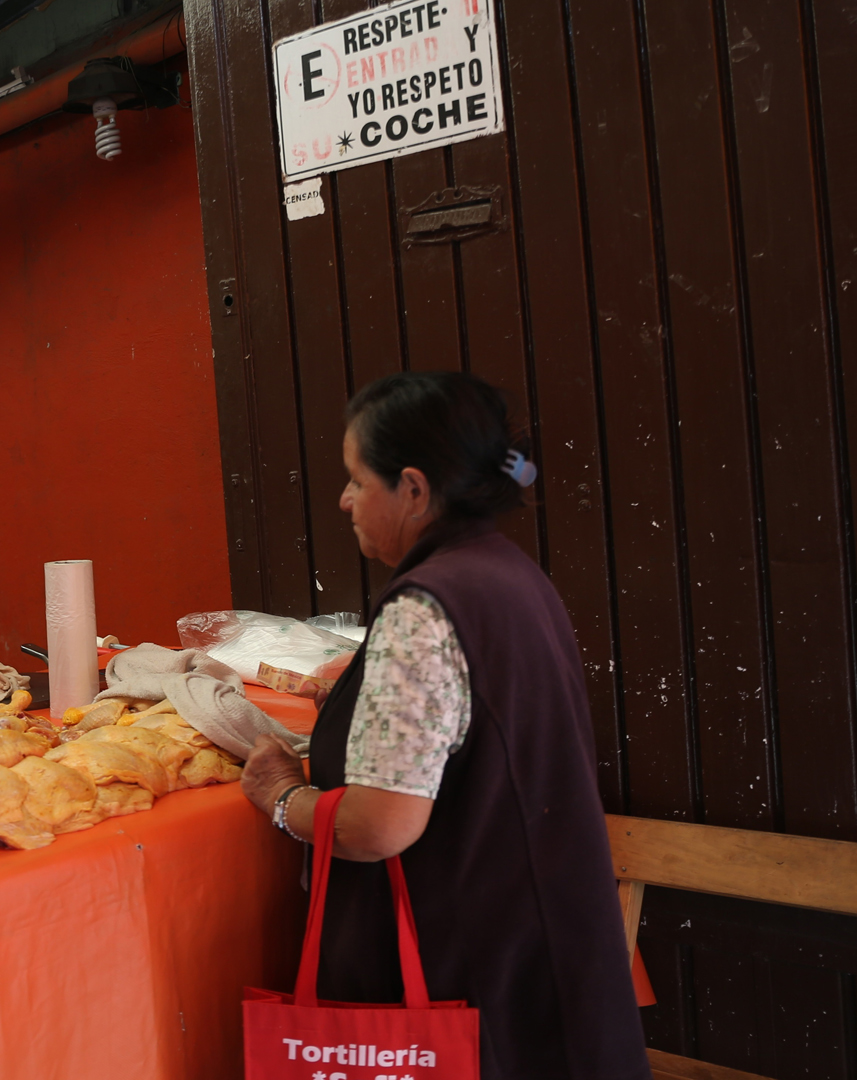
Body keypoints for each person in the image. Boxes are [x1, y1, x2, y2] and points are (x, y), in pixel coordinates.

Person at [240, 371, 649, 1078]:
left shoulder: (424, 609)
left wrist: (283, 797)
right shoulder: (511, 574)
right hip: (538, 947)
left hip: (470, 968)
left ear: (415, 489)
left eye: (356, 479)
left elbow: (380, 825)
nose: (344, 500)